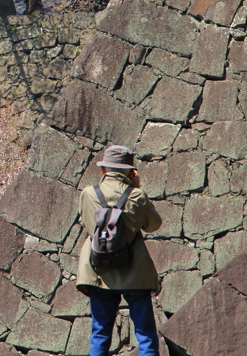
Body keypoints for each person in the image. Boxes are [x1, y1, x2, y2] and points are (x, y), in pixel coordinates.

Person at [76, 145, 163, 356]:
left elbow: (86, 223)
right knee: (145, 332)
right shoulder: (137, 195)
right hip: (134, 271)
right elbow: (153, 225)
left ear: (103, 170)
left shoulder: (88, 194)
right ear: (130, 171)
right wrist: (137, 187)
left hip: (98, 269)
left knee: (100, 333)